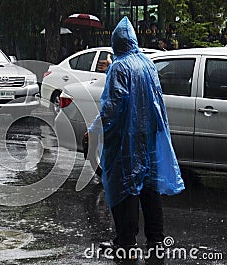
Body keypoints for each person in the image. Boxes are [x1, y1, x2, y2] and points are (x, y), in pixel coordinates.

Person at [88, 17, 185, 258]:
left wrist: (94, 130)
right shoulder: (147, 63)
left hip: (126, 140)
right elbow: (157, 99)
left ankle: (126, 242)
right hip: (148, 137)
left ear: (116, 42)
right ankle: (156, 240)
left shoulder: (119, 67)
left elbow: (111, 105)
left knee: (125, 187)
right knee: (149, 188)